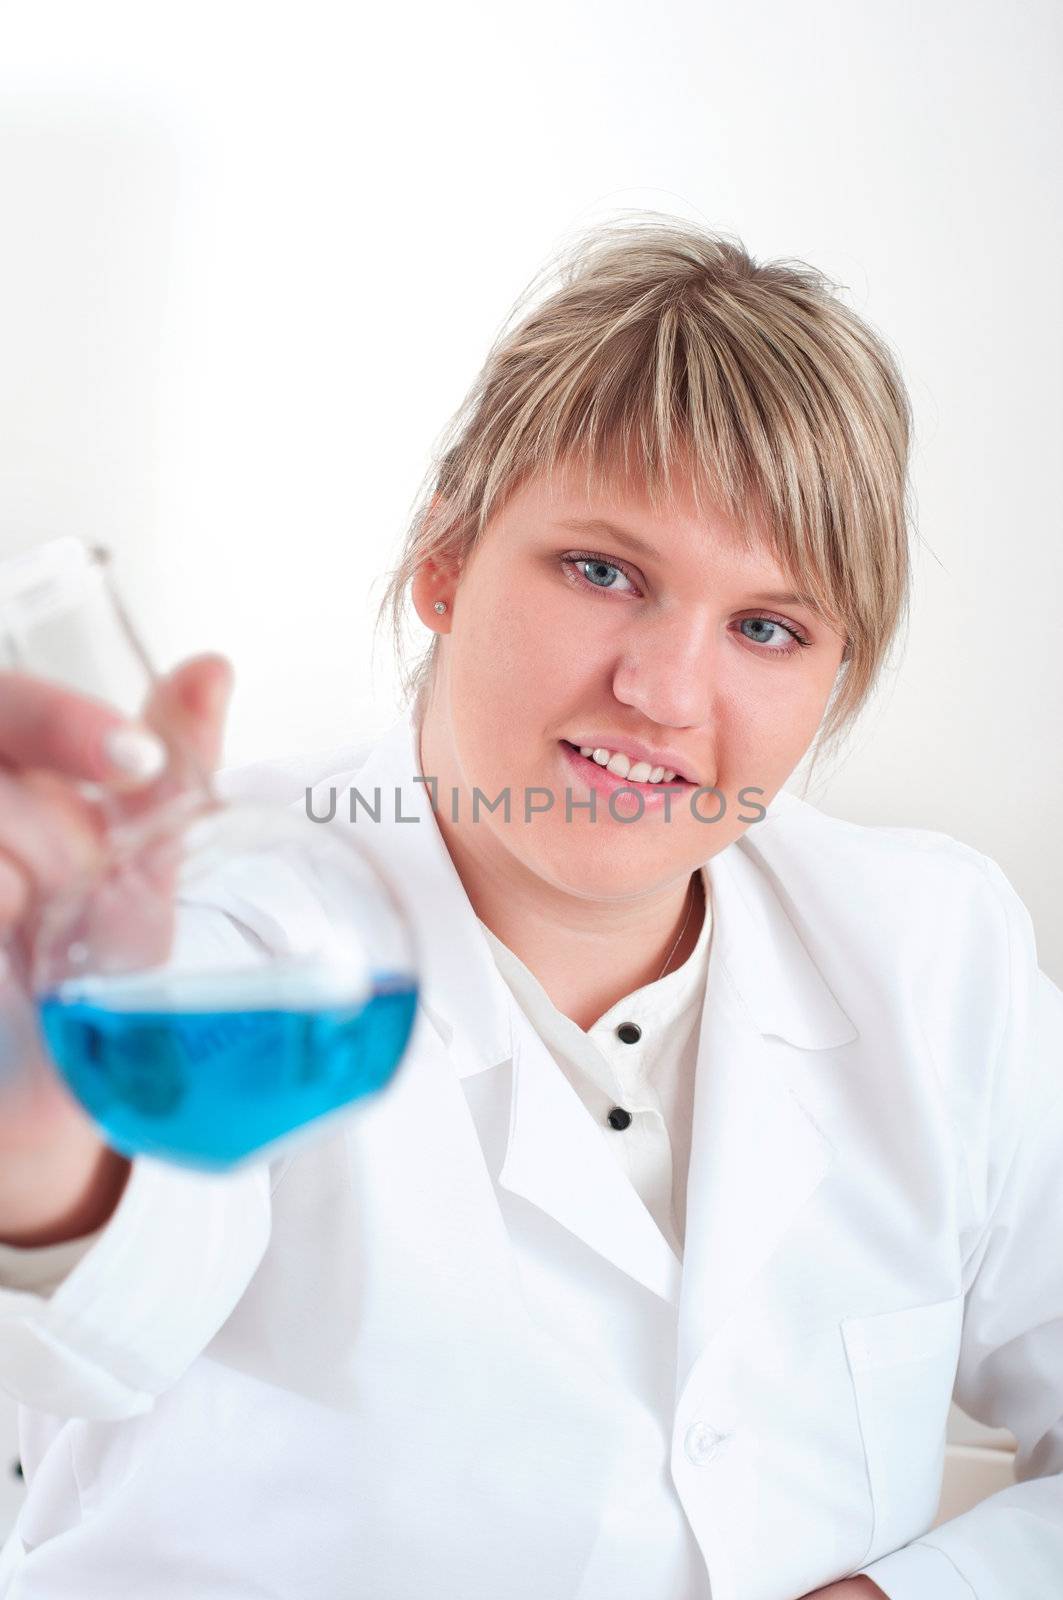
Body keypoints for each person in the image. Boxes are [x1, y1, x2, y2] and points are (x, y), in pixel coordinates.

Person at [0, 215, 1060, 1599]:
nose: (667, 693)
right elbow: (106, 1306)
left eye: (767, 629)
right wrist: (38, 1126)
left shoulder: (932, 952)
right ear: (446, 558)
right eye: (605, 572)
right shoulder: (218, 918)